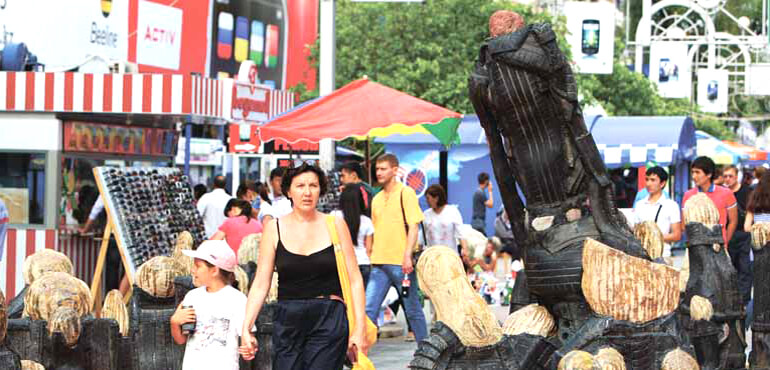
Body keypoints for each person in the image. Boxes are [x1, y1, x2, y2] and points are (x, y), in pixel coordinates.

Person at [240, 164, 368, 368]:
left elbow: (355, 280)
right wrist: (246, 327)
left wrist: (359, 328)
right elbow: (261, 283)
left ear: (321, 190)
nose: (307, 192)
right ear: (289, 191)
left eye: (313, 185)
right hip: (288, 317)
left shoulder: (335, 225)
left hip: (328, 315)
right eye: (300, 186)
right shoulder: (273, 228)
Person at [364, 153, 428, 342]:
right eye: (377, 169)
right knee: (369, 309)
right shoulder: (376, 199)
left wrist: (407, 255)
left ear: (394, 170)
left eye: (383, 169)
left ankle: (426, 355)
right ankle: (359, 355)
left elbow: (414, 226)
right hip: (379, 263)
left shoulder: (405, 193)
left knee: (413, 310)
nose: (379, 172)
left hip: (401, 263)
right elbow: (374, 231)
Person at [171, 240, 246, 370]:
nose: (193, 270)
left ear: (214, 270)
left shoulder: (237, 300)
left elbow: (246, 337)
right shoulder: (192, 297)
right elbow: (181, 340)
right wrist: (174, 322)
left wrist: (249, 346)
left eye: (198, 266)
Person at [681, 156, 738, 246]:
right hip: (695, 247)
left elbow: (733, 221)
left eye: (697, 172)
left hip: (718, 245)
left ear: (709, 174)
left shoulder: (726, 193)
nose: (694, 176)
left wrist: (725, 241)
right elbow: (684, 225)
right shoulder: (688, 195)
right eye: (692, 172)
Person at [632, 166, 682, 257]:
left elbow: (677, 235)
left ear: (662, 183)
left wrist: (652, 236)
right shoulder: (639, 205)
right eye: (647, 180)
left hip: (663, 255)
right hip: (642, 255)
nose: (648, 183)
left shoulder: (671, 205)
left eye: (653, 180)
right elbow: (635, 231)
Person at [333, 184, 374, 286]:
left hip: (343, 264)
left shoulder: (334, 217)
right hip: (363, 263)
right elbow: (369, 249)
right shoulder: (366, 221)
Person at [724, 165, 753, 306]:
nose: (728, 179)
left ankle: (743, 300)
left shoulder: (747, 191)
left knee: (744, 268)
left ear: (737, 176)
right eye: (725, 176)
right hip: (729, 233)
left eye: (730, 176)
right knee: (729, 269)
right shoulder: (723, 192)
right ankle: (731, 300)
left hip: (743, 233)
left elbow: (750, 211)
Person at [422, 184, 468, 258]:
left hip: (450, 256)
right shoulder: (426, 214)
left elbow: (460, 233)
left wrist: (465, 249)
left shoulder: (452, 211)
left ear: (436, 198)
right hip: (432, 257)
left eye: (428, 198)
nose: (427, 201)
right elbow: (423, 236)